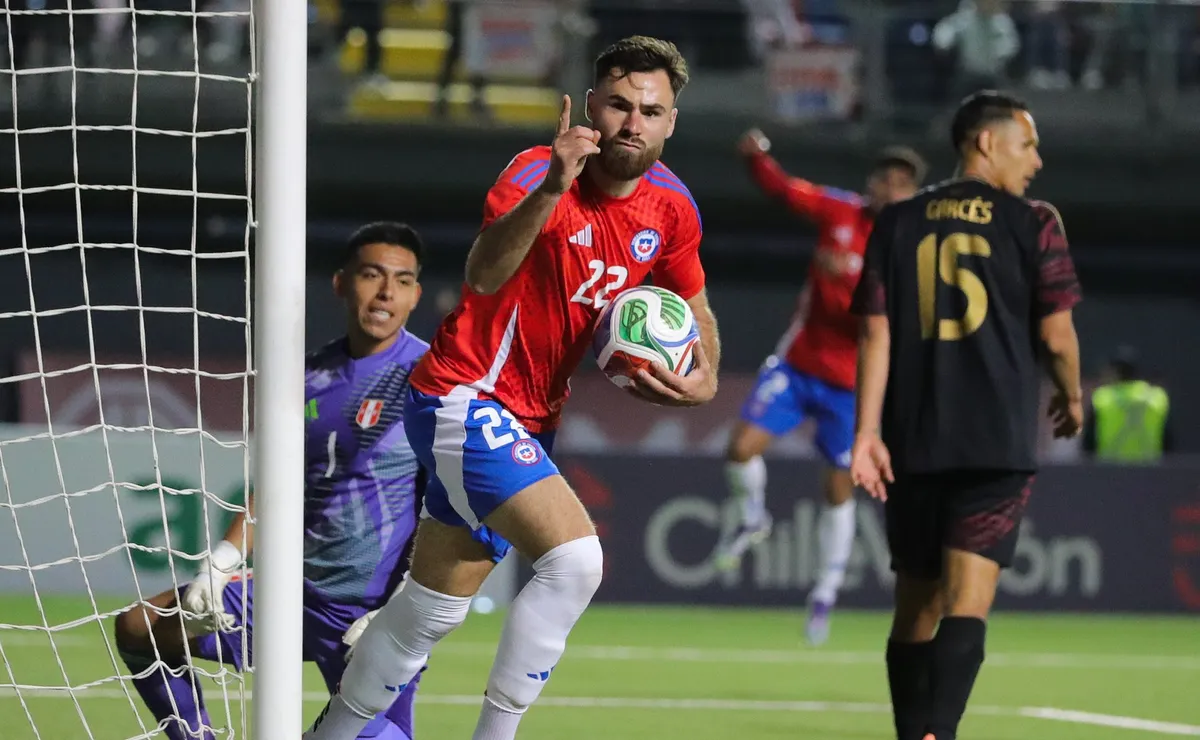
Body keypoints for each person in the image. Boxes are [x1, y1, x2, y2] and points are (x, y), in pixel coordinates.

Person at [305, 35, 720, 740]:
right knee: (576, 561)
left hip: (531, 418)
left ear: (670, 121)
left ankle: (334, 732)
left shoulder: (672, 209)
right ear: (591, 105)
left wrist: (704, 372)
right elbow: (484, 274)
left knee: (429, 609)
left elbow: (695, 302)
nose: (631, 122)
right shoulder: (534, 171)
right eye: (618, 104)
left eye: (650, 110)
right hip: (463, 395)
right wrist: (556, 187)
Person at [114, 222, 430, 740]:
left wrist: (406, 606)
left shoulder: (429, 378)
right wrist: (223, 562)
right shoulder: (306, 376)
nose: (386, 292)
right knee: (140, 627)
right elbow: (279, 484)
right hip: (287, 593)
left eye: (401, 280)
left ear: (416, 294)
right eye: (372, 275)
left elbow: (444, 506)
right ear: (341, 282)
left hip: (370, 611)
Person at [848, 90, 1083, 740]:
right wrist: (1071, 394)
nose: (1036, 160)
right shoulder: (1035, 221)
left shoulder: (895, 222)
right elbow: (1059, 336)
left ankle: (912, 734)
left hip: (912, 437)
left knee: (915, 606)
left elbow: (874, 334)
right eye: (1027, 143)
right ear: (986, 142)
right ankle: (938, 735)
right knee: (967, 605)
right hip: (996, 441)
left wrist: (866, 432)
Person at [715, 129, 926, 646]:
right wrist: (757, 159)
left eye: (901, 183)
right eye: (884, 177)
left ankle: (825, 590)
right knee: (740, 447)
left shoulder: (911, 253)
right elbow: (787, 190)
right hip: (799, 362)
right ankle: (751, 517)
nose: (889, 187)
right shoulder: (840, 211)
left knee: (838, 487)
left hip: (851, 385)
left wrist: (853, 284)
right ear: (871, 183)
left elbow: (888, 325)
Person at [1082, 345, 1174, 463]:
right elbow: (1168, 441)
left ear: (1114, 372)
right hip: (1150, 474)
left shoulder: (1102, 399)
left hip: (1109, 474)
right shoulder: (1156, 398)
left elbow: (1088, 444)